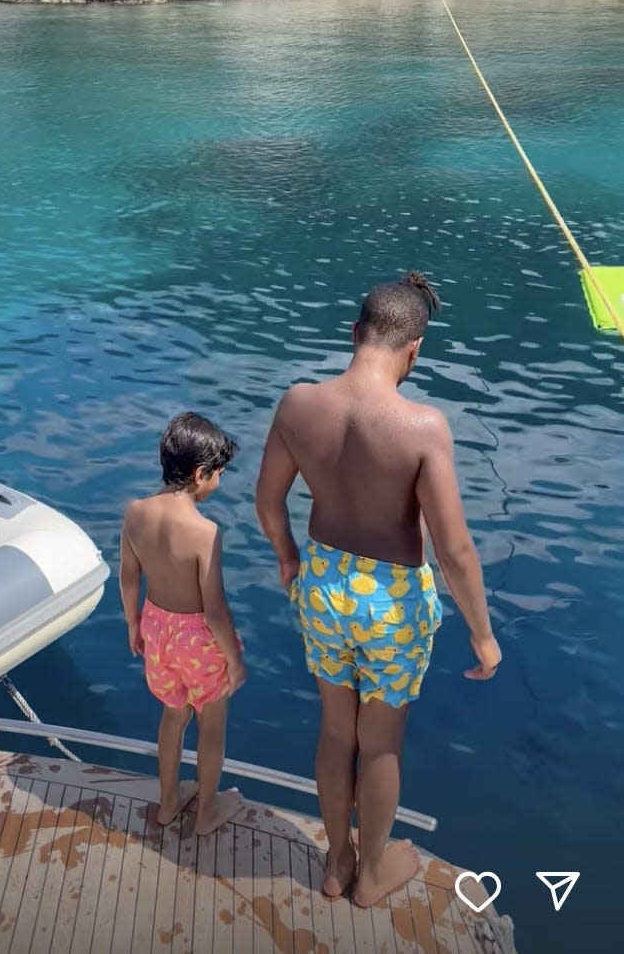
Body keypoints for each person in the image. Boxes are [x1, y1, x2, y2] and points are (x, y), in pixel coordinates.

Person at [256, 272, 502, 907]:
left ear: (354, 333)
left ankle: (335, 862)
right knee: (382, 741)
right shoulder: (422, 427)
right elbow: (453, 550)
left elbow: (267, 501)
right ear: (414, 349)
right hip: (391, 605)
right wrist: (482, 634)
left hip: (322, 587)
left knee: (336, 732)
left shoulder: (298, 404)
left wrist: (288, 558)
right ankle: (369, 877)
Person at [120, 410, 246, 834]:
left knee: (173, 714)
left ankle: (169, 801)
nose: (219, 482)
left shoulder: (135, 512)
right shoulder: (203, 531)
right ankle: (207, 812)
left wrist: (132, 625)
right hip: (197, 641)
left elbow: (127, 575)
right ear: (199, 474)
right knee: (211, 725)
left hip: (156, 629)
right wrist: (235, 659)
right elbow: (214, 610)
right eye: (219, 474)